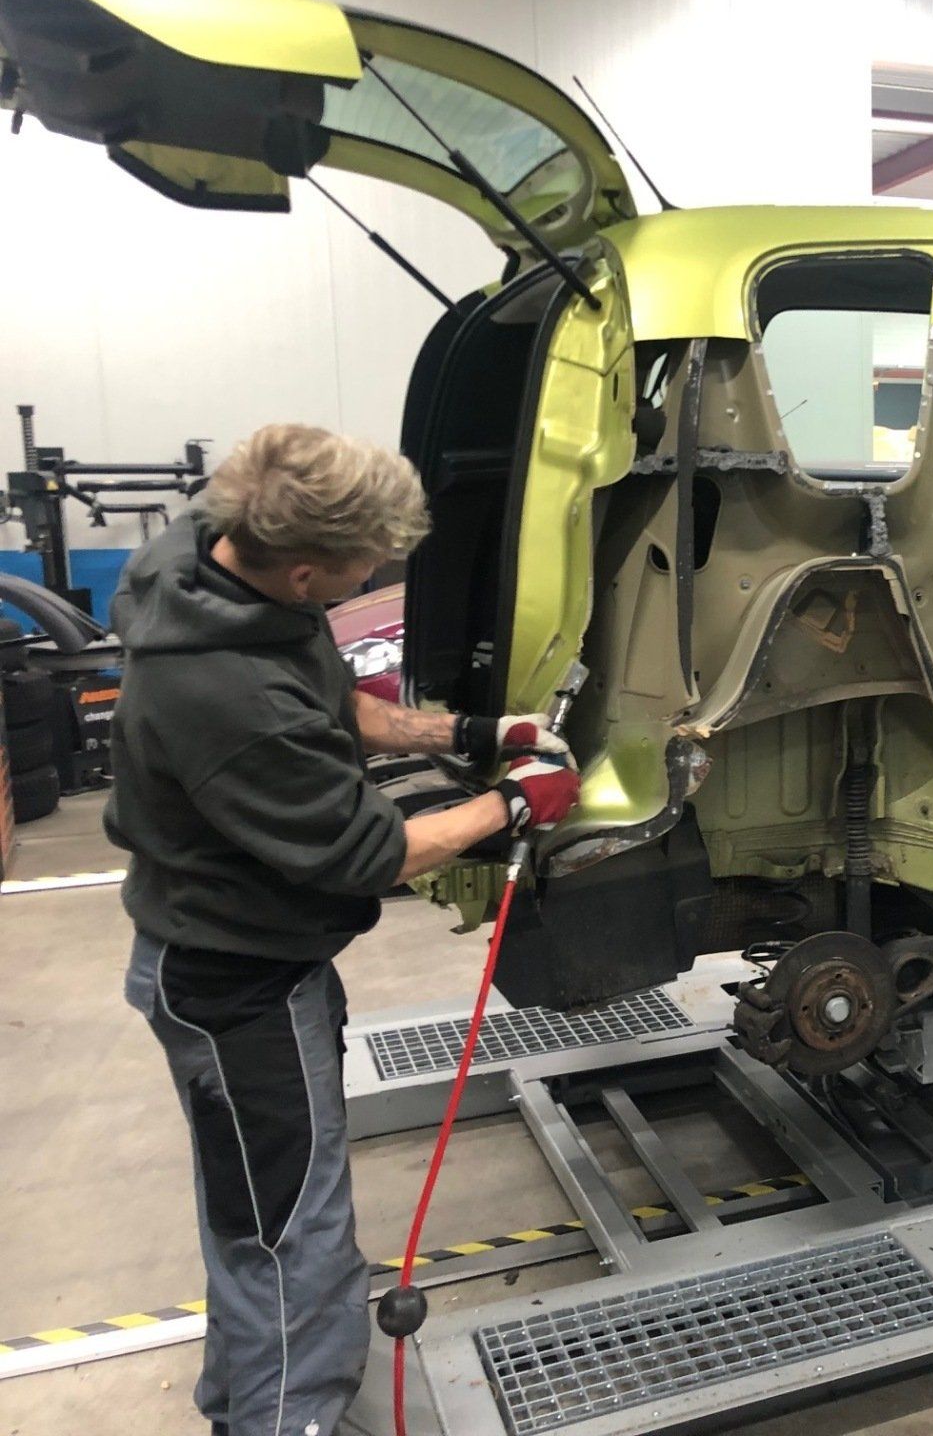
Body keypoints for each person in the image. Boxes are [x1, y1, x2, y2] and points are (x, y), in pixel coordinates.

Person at [106, 424, 581, 1436]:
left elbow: (324, 700)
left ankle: (243, 1405)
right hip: (237, 986)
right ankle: (289, 1419)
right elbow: (372, 852)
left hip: (235, 956)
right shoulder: (229, 698)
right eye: (364, 565)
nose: (375, 579)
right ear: (306, 572)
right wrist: (514, 804)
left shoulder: (210, 559)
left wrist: (468, 733)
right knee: (294, 1239)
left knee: (255, 1218)